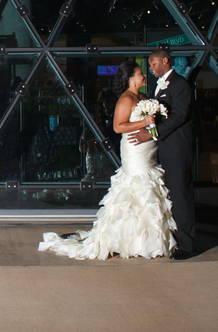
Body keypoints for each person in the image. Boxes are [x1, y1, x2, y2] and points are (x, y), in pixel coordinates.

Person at [38, 60, 177, 259]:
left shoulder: (144, 96)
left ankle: (144, 240)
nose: (144, 76)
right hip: (135, 152)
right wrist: (143, 122)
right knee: (138, 189)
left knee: (149, 189)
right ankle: (131, 239)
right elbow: (118, 127)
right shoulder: (126, 99)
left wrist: (152, 126)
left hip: (148, 150)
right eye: (140, 74)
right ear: (131, 79)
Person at [129, 49, 197, 260]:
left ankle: (187, 245)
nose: (150, 68)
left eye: (153, 64)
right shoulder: (160, 86)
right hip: (165, 148)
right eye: (149, 65)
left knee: (180, 195)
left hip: (177, 149)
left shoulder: (180, 84)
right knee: (171, 195)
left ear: (165, 61)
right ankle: (176, 239)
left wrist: (151, 134)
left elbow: (179, 116)